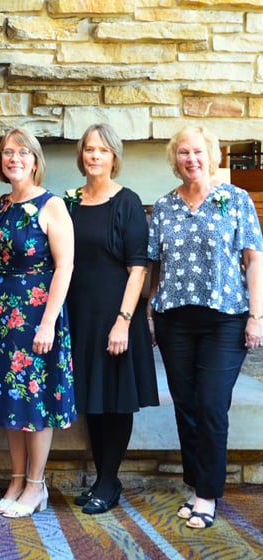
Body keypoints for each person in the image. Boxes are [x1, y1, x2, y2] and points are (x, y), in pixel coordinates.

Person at [148, 125, 263, 529]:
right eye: (183, 153)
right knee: (187, 405)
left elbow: (254, 259)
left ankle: (207, 494)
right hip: (173, 319)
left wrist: (256, 315)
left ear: (211, 156)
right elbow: (155, 266)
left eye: (198, 152)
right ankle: (199, 483)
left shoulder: (235, 199)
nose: (191, 159)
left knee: (212, 404)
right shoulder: (163, 206)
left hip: (225, 319)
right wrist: (149, 312)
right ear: (174, 159)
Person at [0, 128, 76, 518]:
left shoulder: (52, 205)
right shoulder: (2, 203)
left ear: (35, 160)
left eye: (22, 153)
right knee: (11, 398)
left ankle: (37, 486)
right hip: (3, 316)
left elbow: (65, 266)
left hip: (37, 313)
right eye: (7, 153)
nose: (13, 158)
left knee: (35, 398)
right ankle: (16, 479)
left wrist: (48, 322)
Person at [65, 123, 158, 515]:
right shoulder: (69, 202)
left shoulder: (128, 202)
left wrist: (123, 320)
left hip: (118, 316)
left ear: (114, 157)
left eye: (102, 150)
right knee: (91, 399)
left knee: (116, 400)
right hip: (79, 315)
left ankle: (107, 481)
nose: (95, 156)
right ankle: (107, 478)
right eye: (89, 149)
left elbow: (139, 268)